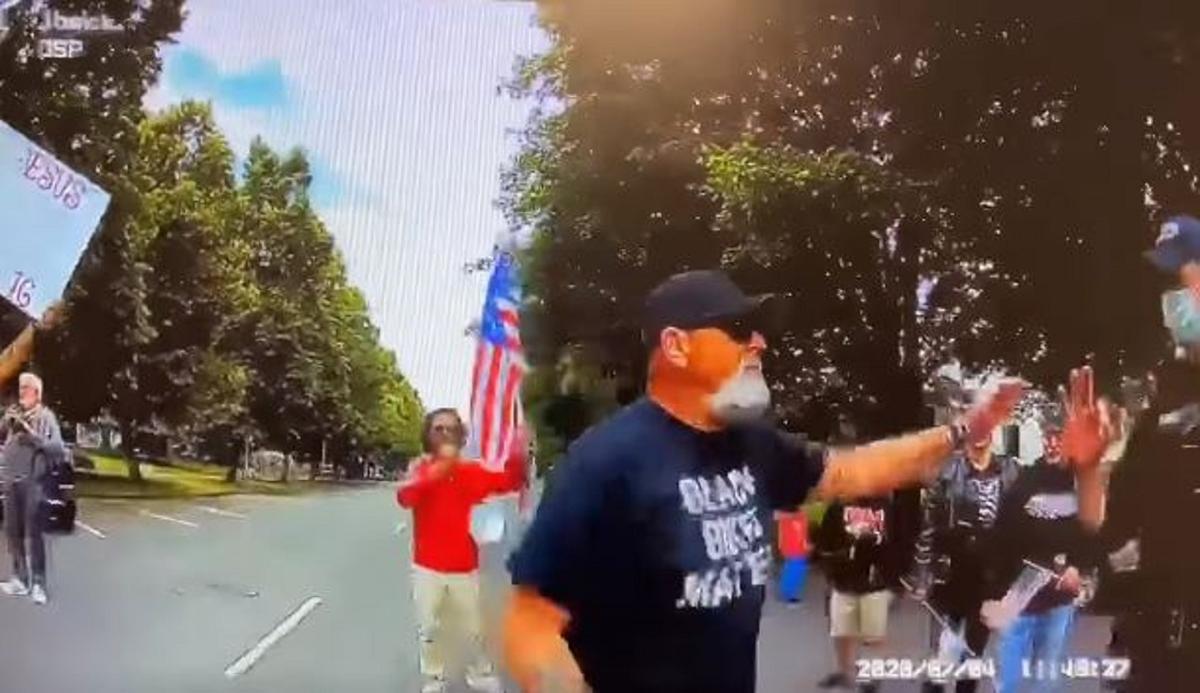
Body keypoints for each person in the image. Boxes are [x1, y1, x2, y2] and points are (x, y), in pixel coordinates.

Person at [500, 269, 1044, 693]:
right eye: (738, 329)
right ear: (676, 346)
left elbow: (853, 470)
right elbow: (530, 624)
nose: (758, 342)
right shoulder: (604, 463)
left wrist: (964, 429)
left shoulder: (753, 443)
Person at [1096, 213, 1200, 690]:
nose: (1177, 297)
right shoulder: (1163, 398)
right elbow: (1117, 515)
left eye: (1187, 275)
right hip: (1157, 620)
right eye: (1171, 282)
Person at [396, 407, 526, 693]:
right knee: (430, 629)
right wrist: (436, 471)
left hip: (463, 566)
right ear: (428, 435)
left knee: (472, 628)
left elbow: (509, 481)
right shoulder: (419, 468)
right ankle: (435, 678)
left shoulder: (469, 472)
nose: (445, 434)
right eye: (438, 429)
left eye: (451, 429)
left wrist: (518, 451)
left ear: (461, 436)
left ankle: (480, 674)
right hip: (426, 566)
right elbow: (405, 497)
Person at [981, 399, 1107, 693]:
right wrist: (994, 592)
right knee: (1008, 681)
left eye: (1059, 437)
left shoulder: (1081, 483)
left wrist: (1080, 567)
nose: (1052, 443)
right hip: (1020, 597)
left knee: (1046, 680)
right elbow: (1001, 536)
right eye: (1048, 436)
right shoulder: (1025, 482)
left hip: (1059, 601)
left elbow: (1093, 534)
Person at [912, 406, 1023, 693]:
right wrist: (922, 574)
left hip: (990, 575)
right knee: (944, 650)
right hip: (952, 570)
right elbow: (928, 527)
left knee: (974, 650)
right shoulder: (947, 471)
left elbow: (1020, 525)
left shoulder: (1011, 470)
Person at [815, 493, 903, 693]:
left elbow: (898, 542)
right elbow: (825, 539)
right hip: (843, 581)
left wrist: (894, 579)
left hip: (875, 584)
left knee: (874, 635)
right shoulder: (839, 504)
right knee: (842, 633)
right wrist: (831, 565)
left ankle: (871, 678)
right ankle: (845, 673)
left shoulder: (886, 507)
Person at [1, 372, 66, 606]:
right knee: (12, 532)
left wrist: (33, 437)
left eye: (27, 388)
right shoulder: (14, 417)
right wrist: (6, 422)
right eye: (20, 388)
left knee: (34, 534)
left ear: (37, 393)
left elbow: (58, 449)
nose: (22, 392)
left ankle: (38, 583)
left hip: (34, 483)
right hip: (11, 481)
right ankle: (20, 578)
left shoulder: (46, 417)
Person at [775, 507, 810, 603]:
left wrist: (805, 543)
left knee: (794, 569)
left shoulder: (801, 515)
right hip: (792, 547)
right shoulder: (788, 515)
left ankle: (788, 593)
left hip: (798, 547)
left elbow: (803, 532)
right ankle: (788, 594)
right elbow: (777, 516)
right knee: (793, 569)